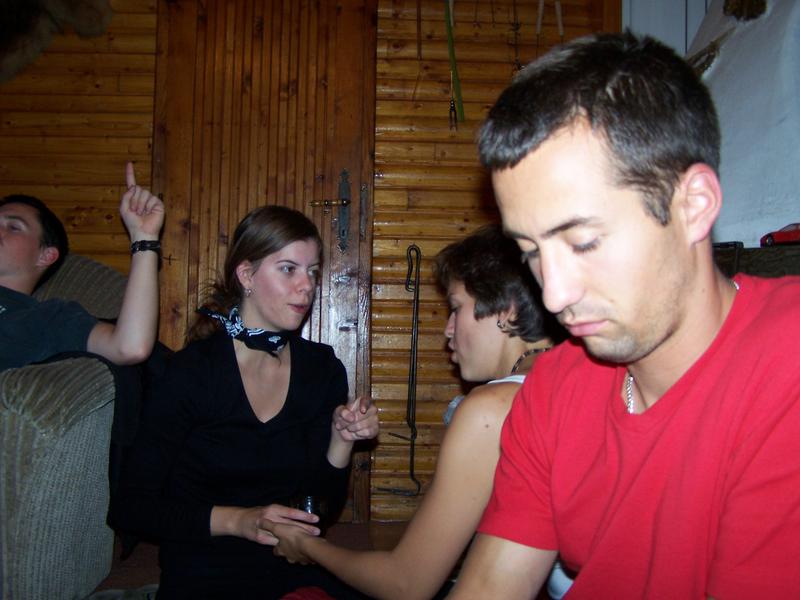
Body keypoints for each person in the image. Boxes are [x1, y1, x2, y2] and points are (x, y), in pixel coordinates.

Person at [448, 31, 800, 599]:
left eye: (583, 241)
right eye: (531, 252)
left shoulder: (788, 360)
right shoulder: (553, 389)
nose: (554, 295)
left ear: (693, 206)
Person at [262, 224, 567, 600]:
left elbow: (406, 584)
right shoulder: (573, 379)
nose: (448, 330)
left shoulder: (491, 409)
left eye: (456, 308)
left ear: (506, 309)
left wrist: (307, 546)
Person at [108, 205, 380, 599]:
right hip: (205, 565)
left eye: (312, 271)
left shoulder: (321, 369)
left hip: (291, 561)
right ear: (247, 275)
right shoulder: (191, 373)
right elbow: (131, 507)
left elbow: (319, 511)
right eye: (288, 269)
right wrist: (239, 521)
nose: (306, 285)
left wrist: (342, 439)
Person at [0, 161, 164, 371]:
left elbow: (129, 347)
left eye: (13, 227)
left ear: (45, 256)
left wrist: (144, 237)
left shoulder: (43, 319)